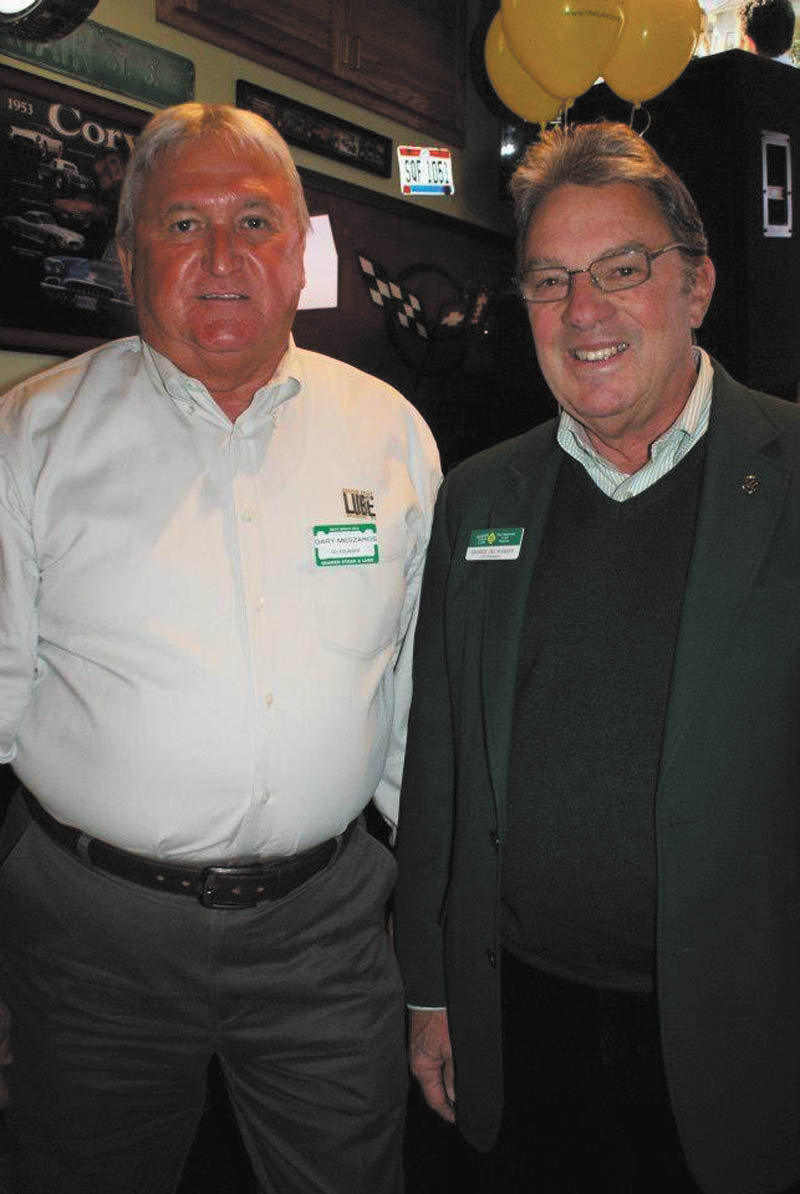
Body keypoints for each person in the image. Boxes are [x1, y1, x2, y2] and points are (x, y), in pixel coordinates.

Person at [0, 102, 440, 1194]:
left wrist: (432, 939)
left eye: (254, 222)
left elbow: (413, 707)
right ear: (127, 257)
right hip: (90, 943)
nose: (222, 257)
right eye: (183, 224)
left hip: (328, 936)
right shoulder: (29, 436)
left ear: (300, 255)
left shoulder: (392, 433)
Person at [394, 120, 800, 1194]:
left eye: (621, 269)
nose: (582, 311)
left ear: (697, 285)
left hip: (744, 1019)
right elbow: (439, 764)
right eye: (549, 281)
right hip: (521, 1013)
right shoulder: (478, 496)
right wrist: (428, 990)